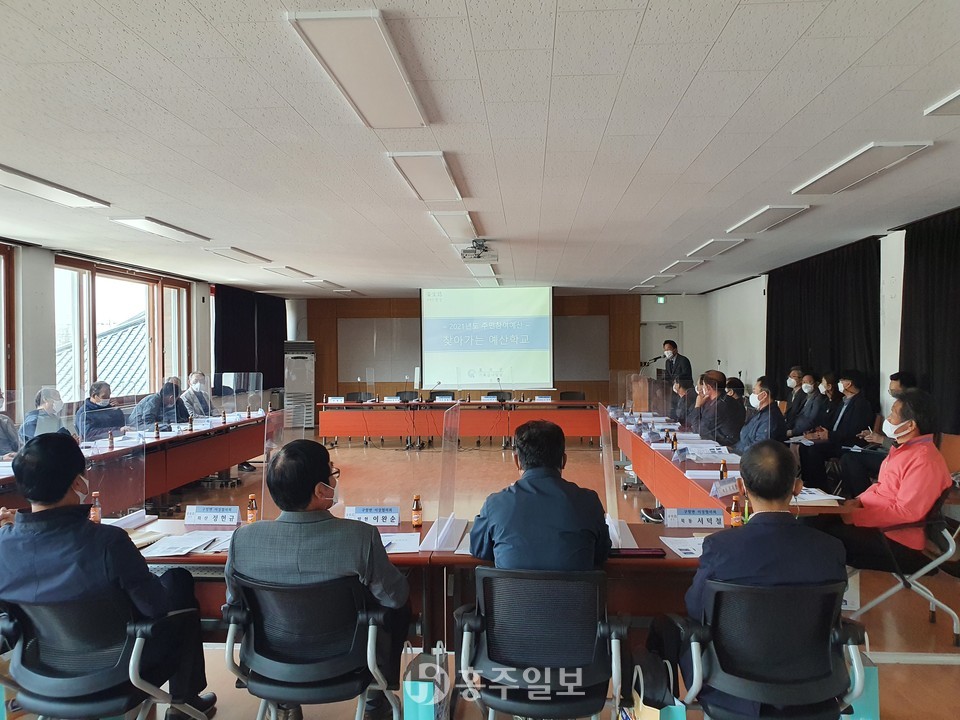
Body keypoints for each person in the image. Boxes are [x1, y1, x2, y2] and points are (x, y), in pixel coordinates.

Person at [0, 434, 215, 719]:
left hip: (39, 671)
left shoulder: (3, 545)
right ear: (78, 483)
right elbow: (155, 608)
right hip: (118, 671)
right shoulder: (107, 542)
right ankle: (183, 703)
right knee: (177, 582)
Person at [644, 441, 846, 715]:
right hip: (814, 688)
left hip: (730, 687)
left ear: (741, 487)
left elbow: (696, 608)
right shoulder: (831, 549)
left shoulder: (721, 547)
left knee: (667, 628)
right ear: (797, 487)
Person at [226, 439, 409, 720]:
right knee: (398, 603)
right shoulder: (360, 537)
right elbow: (394, 598)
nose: (335, 481)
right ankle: (376, 698)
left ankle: (284, 702)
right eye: (331, 474)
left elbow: (234, 603)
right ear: (320, 490)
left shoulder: (243, 540)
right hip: (348, 660)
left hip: (269, 661)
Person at [810, 389, 952, 572]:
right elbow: (881, 486)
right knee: (816, 520)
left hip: (896, 539)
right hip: (878, 523)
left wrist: (855, 516)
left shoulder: (924, 461)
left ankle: (827, 585)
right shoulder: (903, 450)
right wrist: (858, 501)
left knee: (819, 534)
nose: (888, 419)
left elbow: (906, 513)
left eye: (893, 414)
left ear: (910, 425)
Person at [470, 419, 611, 570]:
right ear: (563, 461)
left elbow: (478, 549)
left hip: (512, 587)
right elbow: (601, 554)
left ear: (517, 461)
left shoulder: (496, 504)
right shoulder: (589, 503)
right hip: (574, 586)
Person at [838, 370, 919, 497]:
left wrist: (881, 440)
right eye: (890, 391)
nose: (892, 394)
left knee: (851, 459)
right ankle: (850, 498)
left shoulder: (914, 410)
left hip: (897, 457)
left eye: (895, 391)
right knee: (847, 457)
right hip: (885, 451)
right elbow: (895, 436)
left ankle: (863, 498)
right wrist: (873, 435)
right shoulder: (899, 405)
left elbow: (907, 446)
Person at [798, 370, 874, 491]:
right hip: (835, 439)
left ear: (849, 384)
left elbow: (853, 431)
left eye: (841, 381)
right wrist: (819, 431)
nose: (839, 383)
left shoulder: (861, 404)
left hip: (848, 444)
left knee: (814, 450)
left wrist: (829, 435)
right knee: (804, 446)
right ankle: (808, 482)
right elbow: (834, 423)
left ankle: (820, 488)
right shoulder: (843, 401)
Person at [731, 376, 786, 455]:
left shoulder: (770, 418)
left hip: (753, 458)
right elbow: (746, 439)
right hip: (741, 452)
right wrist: (733, 448)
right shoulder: (760, 412)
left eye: (754, 392)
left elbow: (759, 448)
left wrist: (737, 451)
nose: (752, 395)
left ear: (763, 395)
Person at [690, 370, 745, 447]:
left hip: (726, 446)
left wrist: (697, 406)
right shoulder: (724, 399)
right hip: (719, 441)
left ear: (708, 387)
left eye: (704, 385)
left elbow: (698, 429)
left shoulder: (719, 406)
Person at [786, 372, 824, 438]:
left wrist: (793, 432)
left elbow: (812, 420)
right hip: (796, 429)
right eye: (803, 382)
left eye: (808, 382)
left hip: (805, 432)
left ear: (816, 383)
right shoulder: (806, 396)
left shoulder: (818, 398)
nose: (805, 384)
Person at [783, 365, 807, 430]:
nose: (790, 379)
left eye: (793, 376)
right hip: (788, 426)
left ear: (801, 379)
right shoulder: (790, 394)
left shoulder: (804, 394)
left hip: (798, 428)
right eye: (789, 376)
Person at [0, 390, 19, 459]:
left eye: (1, 395)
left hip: (11, 459)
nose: (1, 398)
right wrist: (2, 458)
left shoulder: (5, 420)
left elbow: (17, 444)